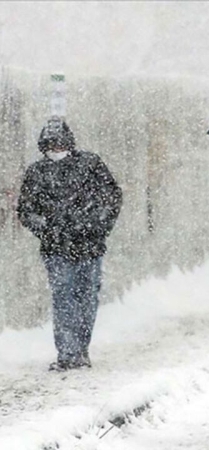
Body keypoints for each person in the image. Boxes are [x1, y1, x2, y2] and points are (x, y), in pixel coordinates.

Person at [16, 117, 123, 371]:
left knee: (86, 298)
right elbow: (26, 210)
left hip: (90, 245)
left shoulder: (91, 164)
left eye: (59, 143)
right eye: (50, 144)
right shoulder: (37, 172)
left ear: (69, 142)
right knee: (63, 297)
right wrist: (49, 229)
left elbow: (112, 198)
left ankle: (80, 349)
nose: (55, 149)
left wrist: (95, 225)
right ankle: (67, 353)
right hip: (57, 248)